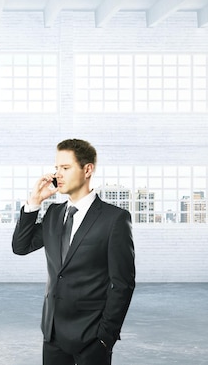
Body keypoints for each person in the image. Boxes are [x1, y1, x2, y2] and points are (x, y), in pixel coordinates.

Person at [12, 138, 135, 365]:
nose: (58, 174)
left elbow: (123, 284)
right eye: (56, 168)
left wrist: (105, 339)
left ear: (87, 169)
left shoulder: (114, 219)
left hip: (92, 338)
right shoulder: (53, 215)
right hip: (53, 334)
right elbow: (20, 247)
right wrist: (34, 202)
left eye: (66, 168)